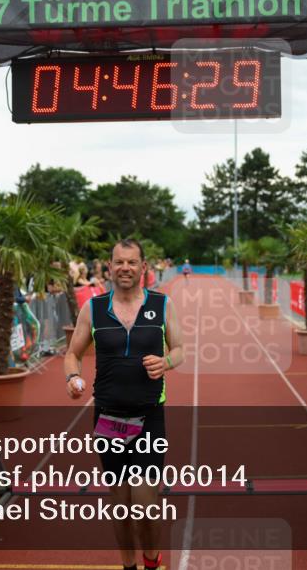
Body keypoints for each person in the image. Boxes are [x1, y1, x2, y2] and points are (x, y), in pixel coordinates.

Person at [64, 238, 184, 570]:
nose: (125, 268)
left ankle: (152, 560)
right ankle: (128, 565)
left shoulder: (162, 304)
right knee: (120, 505)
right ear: (110, 266)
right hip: (108, 417)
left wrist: (167, 363)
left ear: (143, 267)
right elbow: (72, 353)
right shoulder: (94, 308)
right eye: (119, 262)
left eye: (132, 262)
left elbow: (180, 349)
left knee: (146, 504)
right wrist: (72, 378)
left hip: (148, 416)